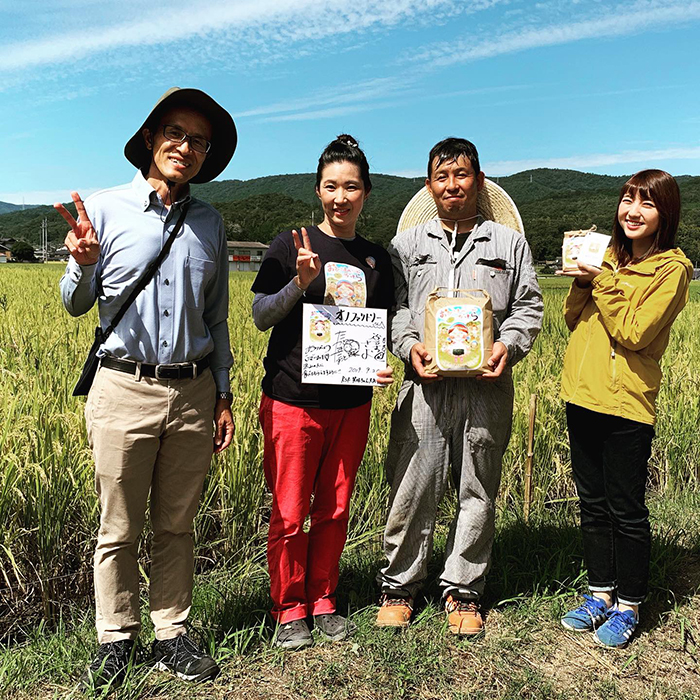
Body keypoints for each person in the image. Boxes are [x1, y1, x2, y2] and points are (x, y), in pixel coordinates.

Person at [57, 87, 237, 689]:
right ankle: (115, 637)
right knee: (119, 524)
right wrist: (83, 263)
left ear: (207, 156)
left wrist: (224, 391)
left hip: (192, 391)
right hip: (123, 387)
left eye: (199, 141)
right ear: (151, 138)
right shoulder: (105, 210)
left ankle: (172, 632)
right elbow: (74, 305)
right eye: (176, 134)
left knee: (177, 521)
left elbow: (216, 316)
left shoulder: (210, 222)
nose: (186, 147)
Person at [375, 137, 543, 636]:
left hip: (487, 388)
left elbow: (529, 307)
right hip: (422, 386)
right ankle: (399, 585)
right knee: (412, 483)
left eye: (462, 175)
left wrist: (507, 347)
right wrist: (409, 349)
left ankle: (463, 589)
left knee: (478, 487)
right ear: (430, 185)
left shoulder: (508, 243)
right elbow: (395, 310)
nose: (452, 185)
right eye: (442, 177)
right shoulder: (406, 247)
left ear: (479, 180)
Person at [251, 135, 395, 649]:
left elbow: (383, 327)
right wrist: (298, 282)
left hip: (352, 405)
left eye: (351, 187)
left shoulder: (377, 260)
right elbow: (260, 315)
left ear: (366, 193)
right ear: (318, 191)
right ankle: (289, 606)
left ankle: (324, 597)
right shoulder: (291, 243)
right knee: (290, 511)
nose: (341, 197)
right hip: (293, 401)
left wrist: (381, 365)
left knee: (335, 507)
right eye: (331, 186)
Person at [558, 170, 692, 648]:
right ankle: (600, 593)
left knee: (626, 509)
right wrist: (582, 282)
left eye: (647, 203)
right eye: (628, 199)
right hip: (582, 393)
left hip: (627, 402)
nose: (633, 211)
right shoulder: (608, 256)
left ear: (665, 213)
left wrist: (604, 281)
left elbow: (635, 333)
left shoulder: (672, 270)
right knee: (593, 506)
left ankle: (631, 603)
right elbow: (573, 319)